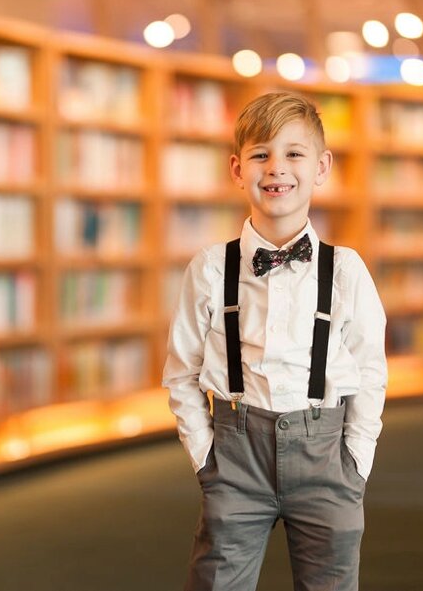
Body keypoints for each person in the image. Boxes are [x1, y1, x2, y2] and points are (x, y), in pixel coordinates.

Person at [162, 91, 388, 591]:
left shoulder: (346, 270)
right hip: (236, 458)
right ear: (237, 169)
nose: (276, 169)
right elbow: (181, 373)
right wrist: (205, 458)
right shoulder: (210, 268)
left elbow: (370, 370)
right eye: (261, 154)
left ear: (322, 166)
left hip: (326, 457)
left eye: (293, 154)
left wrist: (356, 461)